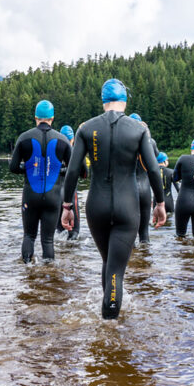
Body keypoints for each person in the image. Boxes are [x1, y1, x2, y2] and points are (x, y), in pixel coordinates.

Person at [60, 78, 166, 319]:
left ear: (103, 101)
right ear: (125, 102)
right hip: (127, 207)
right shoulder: (139, 129)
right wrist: (160, 203)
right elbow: (152, 169)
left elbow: (74, 171)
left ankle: (104, 325)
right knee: (116, 269)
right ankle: (110, 332)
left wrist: (67, 206)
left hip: (96, 205)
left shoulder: (86, 128)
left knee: (108, 262)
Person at [10, 100, 71, 262]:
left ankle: (28, 273)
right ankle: (48, 279)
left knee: (29, 236)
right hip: (53, 197)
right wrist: (55, 170)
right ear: (52, 118)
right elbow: (75, 170)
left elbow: (13, 167)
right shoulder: (63, 139)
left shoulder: (24, 138)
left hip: (31, 195)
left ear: (35, 117)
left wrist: (30, 168)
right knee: (48, 240)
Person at [129, 113, 159, 244]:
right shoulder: (150, 142)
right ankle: (145, 261)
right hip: (145, 189)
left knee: (128, 232)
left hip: (128, 189)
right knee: (144, 233)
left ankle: (130, 261)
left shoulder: (124, 140)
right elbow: (156, 158)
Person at [59, 124, 83, 240]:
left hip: (55, 195)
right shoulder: (75, 152)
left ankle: (61, 255)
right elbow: (85, 173)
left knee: (58, 233)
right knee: (74, 233)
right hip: (71, 196)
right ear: (73, 138)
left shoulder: (55, 152)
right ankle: (71, 256)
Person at [157, 152, 178, 216]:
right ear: (164, 161)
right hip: (169, 202)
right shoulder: (171, 172)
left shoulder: (151, 172)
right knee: (170, 220)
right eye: (167, 160)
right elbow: (179, 189)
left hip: (157, 201)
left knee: (157, 221)